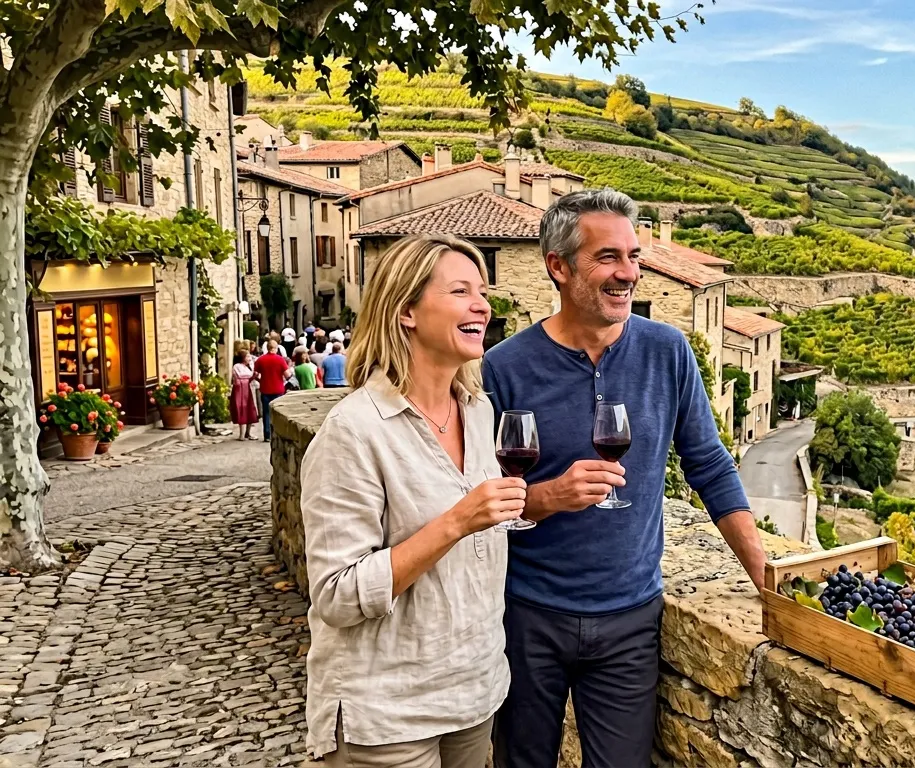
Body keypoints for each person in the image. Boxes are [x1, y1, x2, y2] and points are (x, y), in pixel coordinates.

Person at [483, 189, 766, 767]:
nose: (629, 273)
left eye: (633, 256)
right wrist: (547, 497)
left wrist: (764, 573)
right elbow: (481, 500)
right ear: (559, 267)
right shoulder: (504, 367)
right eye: (608, 257)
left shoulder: (668, 351)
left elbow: (709, 464)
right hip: (527, 615)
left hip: (631, 618)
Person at [299, 235, 525, 766]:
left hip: (475, 690)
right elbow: (335, 594)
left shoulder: (478, 411)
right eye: (461, 291)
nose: (482, 305)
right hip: (387, 712)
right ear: (406, 311)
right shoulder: (354, 431)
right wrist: (455, 523)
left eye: (483, 291)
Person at [253, 339, 291, 440]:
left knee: (266, 413)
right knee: (278, 412)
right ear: (276, 348)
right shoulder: (280, 359)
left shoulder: (260, 360)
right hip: (278, 389)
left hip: (265, 389)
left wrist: (261, 380)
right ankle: (277, 433)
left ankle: (267, 435)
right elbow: (287, 375)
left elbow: (255, 374)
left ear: (267, 348)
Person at [229, 350, 259, 440]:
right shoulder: (237, 366)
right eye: (247, 356)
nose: (250, 358)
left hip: (247, 389)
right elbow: (242, 375)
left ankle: (248, 433)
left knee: (250, 410)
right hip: (240, 390)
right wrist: (252, 373)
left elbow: (252, 376)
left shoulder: (249, 367)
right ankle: (241, 434)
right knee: (242, 409)